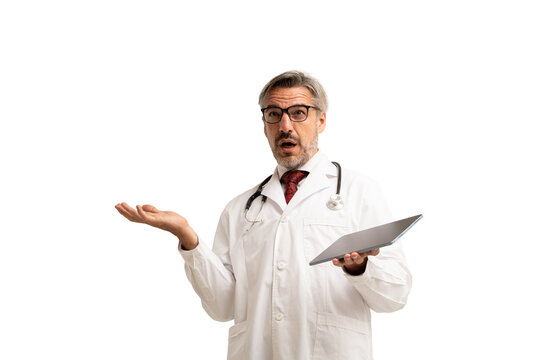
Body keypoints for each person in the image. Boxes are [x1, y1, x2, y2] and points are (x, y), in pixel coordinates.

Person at [115, 70, 412, 360]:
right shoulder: (241, 208)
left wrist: (359, 268)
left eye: (298, 112)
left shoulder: (359, 192)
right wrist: (186, 236)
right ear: (264, 123)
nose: (285, 125)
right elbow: (222, 306)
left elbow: (395, 295)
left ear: (321, 120)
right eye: (274, 114)